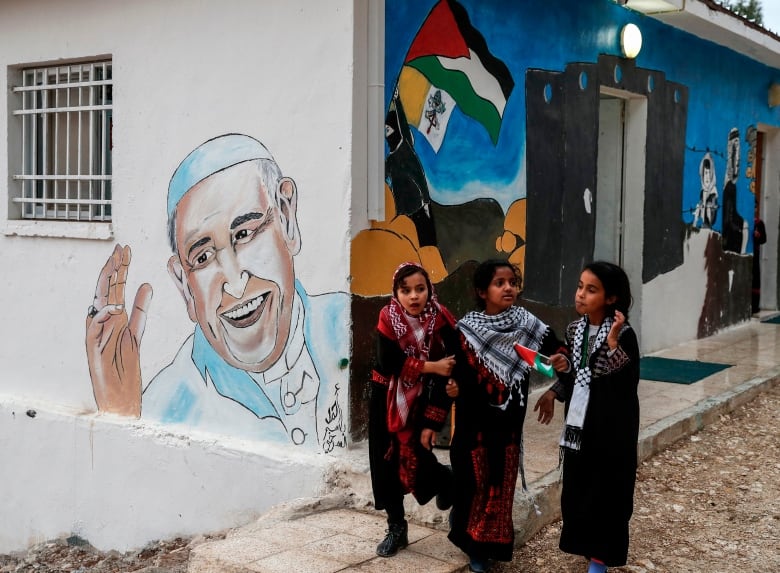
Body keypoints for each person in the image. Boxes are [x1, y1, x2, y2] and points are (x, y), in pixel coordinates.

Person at [85, 134, 347, 452]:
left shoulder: (351, 329)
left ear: (287, 218)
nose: (235, 283)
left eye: (245, 234)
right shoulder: (164, 405)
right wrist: (121, 416)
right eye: (204, 257)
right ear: (184, 286)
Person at [448, 259, 568, 573]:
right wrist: (450, 391)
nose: (508, 288)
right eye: (500, 283)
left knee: (499, 485)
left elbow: (553, 354)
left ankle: (484, 549)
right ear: (481, 290)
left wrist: (557, 368)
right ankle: (468, 540)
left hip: (507, 425)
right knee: (471, 483)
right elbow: (455, 373)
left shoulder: (528, 324)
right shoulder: (465, 330)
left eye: (512, 282)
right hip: (473, 425)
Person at [534, 261, 640, 573]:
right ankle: (588, 548)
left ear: (611, 299)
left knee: (608, 492)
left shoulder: (625, 334)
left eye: (591, 290)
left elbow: (625, 384)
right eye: (580, 286)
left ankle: (600, 559)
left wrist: (612, 345)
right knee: (579, 490)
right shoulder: (574, 329)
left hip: (611, 429)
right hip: (579, 426)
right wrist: (554, 391)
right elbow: (575, 374)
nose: (581, 295)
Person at [369, 262, 460, 557]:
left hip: (424, 400)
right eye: (405, 290)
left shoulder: (442, 321)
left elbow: (453, 368)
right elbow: (388, 363)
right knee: (386, 465)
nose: (413, 296)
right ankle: (396, 526)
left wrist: (434, 420)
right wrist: (431, 365)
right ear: (396, 293)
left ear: (429, 290)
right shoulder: (388, 317)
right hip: (386, 400)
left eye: (420, 289)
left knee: (418, 457)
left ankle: (446, 481)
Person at [752, 206, 767, 314]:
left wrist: (758, 236)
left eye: (755, 207)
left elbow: (764, 239)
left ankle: (755, 307)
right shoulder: (745, 221)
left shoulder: (759, 223)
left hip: (755, 254)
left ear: (757, 209)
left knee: (756, 278)